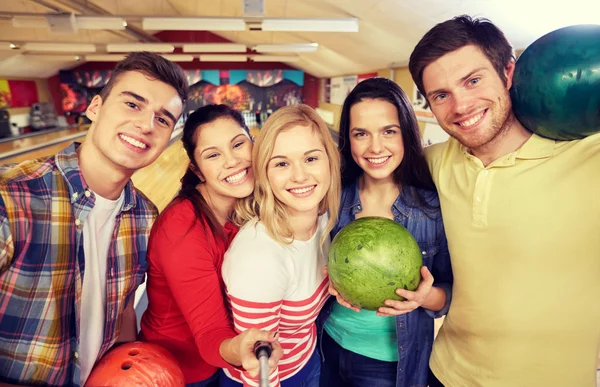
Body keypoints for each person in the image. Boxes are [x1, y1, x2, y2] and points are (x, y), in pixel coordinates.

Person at [408, 15, 600, 387]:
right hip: (445, 372)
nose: (461, 106)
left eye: (473, 80)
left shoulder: (589, 157)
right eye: (441, 95)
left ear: (508, 72)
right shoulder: (434, 164)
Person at [0, 52, 188, 387]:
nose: (146, 125)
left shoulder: (144, 216)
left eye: (163, 120)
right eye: (133, 104)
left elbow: (124, 310)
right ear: (96, 107)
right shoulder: (11, 198)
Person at [318, 77, 453, 387]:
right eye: (361, 134)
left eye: (388, 132)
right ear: (348, 140)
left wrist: (424, 297)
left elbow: (450, 293)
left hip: (390, 365)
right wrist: (327, 282)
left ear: (406, 133)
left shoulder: (432, 209)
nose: (375, 147)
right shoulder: (333, 198)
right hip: (326, 346)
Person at [139, 104, 282, 387]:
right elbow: (209, 334)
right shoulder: (182, 228)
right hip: (182, 371)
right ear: (197, 170)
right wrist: (241, 349)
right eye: (213, 155)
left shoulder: (248, 205)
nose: (232, 161)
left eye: (238, 144)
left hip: (222, 366)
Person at [220, 104, 342, 387]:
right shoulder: (259, 256)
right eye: (282, 163)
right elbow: (258, 364)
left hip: (308, 359)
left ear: (330, 161)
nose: (300, 176)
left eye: (311, 159)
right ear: (265, 174)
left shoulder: (323, 220)